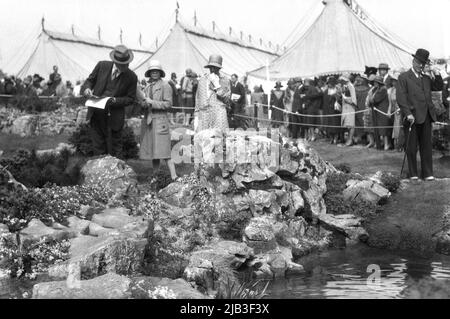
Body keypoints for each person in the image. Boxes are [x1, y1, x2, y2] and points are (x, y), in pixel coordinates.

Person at [81, 44, 138, 157]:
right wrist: (87, 89)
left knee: (115, 150)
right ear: (115, 62)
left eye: (127, 63)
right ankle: (100, 172)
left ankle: (117, 174)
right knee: (98, 148)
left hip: (114, 118)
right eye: (122, 64)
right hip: (96, 114)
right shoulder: (102, 65)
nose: (125, 66)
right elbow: (89, 81)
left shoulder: (132, 77)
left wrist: (114, 100)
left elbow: (130, 99)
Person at [396, 48, 443, 181]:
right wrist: (407, 113)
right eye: (418, 62)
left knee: (426, 146)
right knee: (411, 147)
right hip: (412, 117)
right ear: (413, 61)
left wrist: (435, 71)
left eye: (423, 63)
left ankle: (428, 173)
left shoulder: (427, 78)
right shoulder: (404, 77)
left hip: (426, 116)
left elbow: (439, 86)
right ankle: (413, 174)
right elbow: (401, 97)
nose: (420, 65)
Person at [138, 60, 177, 181]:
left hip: (160, 121)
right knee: (154, 152)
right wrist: (143, 103)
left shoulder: (165, 86)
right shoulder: (147, 87)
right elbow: (144, 104)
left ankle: (174, 176)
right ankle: (156, 176)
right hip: (149, 121)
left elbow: (168, 104)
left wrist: (152, 103)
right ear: (149, 73)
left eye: (157, 71)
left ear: (160, 73)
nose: (154, 73)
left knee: (165, 151)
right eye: (152, 71)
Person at [194, 54, 230, 132]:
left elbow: (227, 100)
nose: (213, 69)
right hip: (203, 114)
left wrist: (217, 85)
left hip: (218, 113)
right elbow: (198, 98)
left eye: (215, 67)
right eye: (211, 67)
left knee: (218, 138)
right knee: (202, 138)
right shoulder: (202, 79)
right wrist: (196, 116)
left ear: (219, 68)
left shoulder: (224, 80)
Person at [370, 75, 392, 150]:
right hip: (377, 111)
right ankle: (380, 144)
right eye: (374, 82)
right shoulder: (376, 89)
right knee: (379, 128)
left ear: (379, 82)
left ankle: (386, 144)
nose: (374, 83)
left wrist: (372, 98)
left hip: (383, 111)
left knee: (384, 129)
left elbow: (375, 99)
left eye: (376, 82)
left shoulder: (383, 89)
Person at [337, 74, 357, 146]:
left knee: (351, 124)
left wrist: (347, 100)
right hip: (345, 107)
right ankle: (349, 139)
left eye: (342, 80)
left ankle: (350, 139)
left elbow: (354, 99)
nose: (341, 81)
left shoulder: (351, 86)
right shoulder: (345, 86)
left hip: (350, 107)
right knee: (347, 124)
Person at [322, 76, 341, 144]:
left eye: (330, 83)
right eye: (328, 83)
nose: (329, 84)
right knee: (328, 125)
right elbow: (324, 101)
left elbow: (339, 99)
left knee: (335, 124)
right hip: (327, 110)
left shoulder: (337, 90)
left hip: (334, 111)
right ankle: (331, 138)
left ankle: (336, 138)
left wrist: (335, 96)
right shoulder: (326, 91)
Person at [354, 75, 370, 144]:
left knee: (364, 123)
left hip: (362, 108)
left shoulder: (355, 89)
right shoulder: (369, 89)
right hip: (362, 108)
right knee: (363, 123)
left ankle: (363, 138)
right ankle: (363, 138)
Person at [389, 72, 403, 150]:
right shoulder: (392, 90)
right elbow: (390, 102)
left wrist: (400, 108)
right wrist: (389, 111)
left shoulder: (402, 89)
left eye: (395, 80)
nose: (393, 82)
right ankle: (396, 145)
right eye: (393, 80)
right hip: (395, 112)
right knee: (395, 128)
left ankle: (400, 146)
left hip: (401, 112)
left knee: (400, 128)